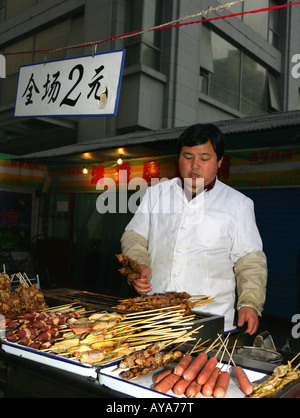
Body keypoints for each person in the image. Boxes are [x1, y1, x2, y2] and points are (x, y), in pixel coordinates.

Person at [121, 123, 267, 334]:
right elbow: (134, 236)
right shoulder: (156, 194)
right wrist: (138, 266)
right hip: (155, 316)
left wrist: (250, 303)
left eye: (204, 159)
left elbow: (250, 260)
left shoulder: (238, 204)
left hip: (209, 320)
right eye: (188, 157)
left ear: (219, 162)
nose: (195, 166)